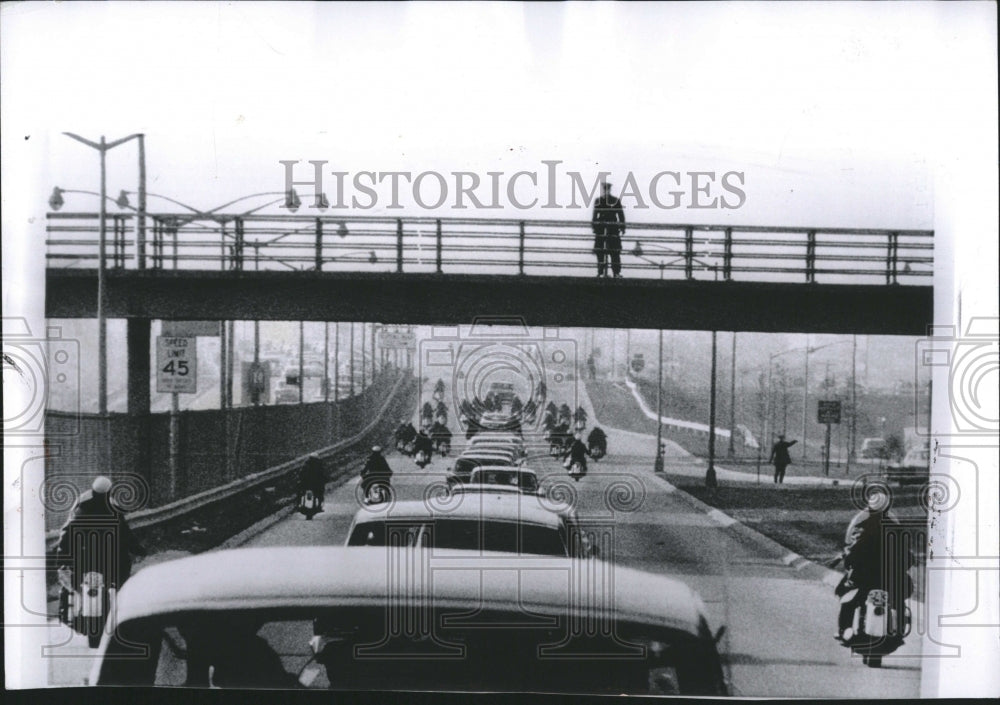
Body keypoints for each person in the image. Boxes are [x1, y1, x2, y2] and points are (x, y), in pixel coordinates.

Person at [55, 476, 146, 619]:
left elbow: (67, 533)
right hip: (109, 558)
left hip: (86, 557)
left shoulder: (81, 507)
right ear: (109, 492)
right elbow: (125, 534)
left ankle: (68, 610)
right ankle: (120, 607)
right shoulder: (113, 509)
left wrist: (62, 556)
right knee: (121, 576)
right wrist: (138, 549)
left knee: (72, 583)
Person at [835, 491, 915, 642]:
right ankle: (898, 631)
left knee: (847, 597)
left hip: (864, 577)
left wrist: (849, 562)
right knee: (898, 600)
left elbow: (852, 554)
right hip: (890, 578)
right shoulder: (897, 530)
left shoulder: (862, 529)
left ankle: (844, 629)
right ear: (887, 508)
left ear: (869, 508)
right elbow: (907, 557)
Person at [591, 181, 626, 278]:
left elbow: (620, 215)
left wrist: (622, 226)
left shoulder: (607, 200)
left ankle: (613, 272)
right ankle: (604, 271)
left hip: (608, 227)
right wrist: (622, 227)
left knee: (613, 251)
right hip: (607, 227)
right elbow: (595, 215)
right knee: (605, 251)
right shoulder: (612, 200)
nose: (606, 191)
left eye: (606, 189)